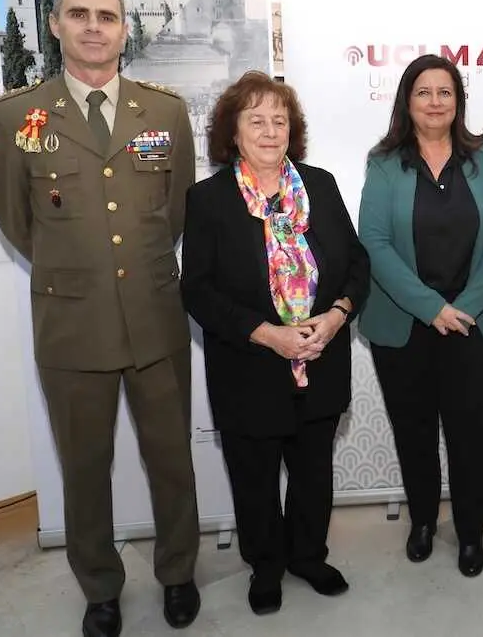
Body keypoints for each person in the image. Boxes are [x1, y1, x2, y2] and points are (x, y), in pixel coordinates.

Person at [0, 0, 200, 637]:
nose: (93, 27)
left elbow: (177, 211)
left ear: (124, 28)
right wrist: (77, 271)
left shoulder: (162, 113)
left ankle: (177, 572)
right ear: (54, 25)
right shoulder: (18, 114)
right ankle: (100, 586)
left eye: (106, 16)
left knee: (170, 457)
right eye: (77, 14)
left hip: (154, 315)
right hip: (71, 323)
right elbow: (16, 221)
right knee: (84, 467)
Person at [180, 71, 369, 615]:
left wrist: (335, 318)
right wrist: (270, 336)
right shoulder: (209, 199)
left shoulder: (322, 185)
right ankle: (265, 566)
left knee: (313, 472)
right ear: (233, 132)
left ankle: (308, 556)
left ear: (293, 130)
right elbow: (198, 289)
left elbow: (357, 264)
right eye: (255, 120)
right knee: (255, 476)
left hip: (322, 357)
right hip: (249, 366)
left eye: (278, 121)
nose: (268, 131)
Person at [357, 53, 483, 578]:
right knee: (415, 429)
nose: (434, 101)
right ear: (407, 100)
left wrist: (461, 308)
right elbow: (374, 244)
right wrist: (431, 309)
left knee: (471, 430)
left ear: (458, 101)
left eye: (445, 92)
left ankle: (471, 532)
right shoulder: (383, 161)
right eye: (423, 92)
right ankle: (422, 521)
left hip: (468, 322)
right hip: (404, 324)